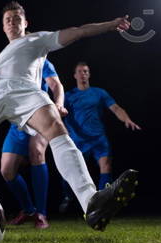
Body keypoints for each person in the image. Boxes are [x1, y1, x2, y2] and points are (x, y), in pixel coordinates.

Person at [0, 1, 138, 232]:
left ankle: (91, 202)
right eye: (8, 19)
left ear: (26, 23)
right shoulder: (2, 56)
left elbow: (77, 32)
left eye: (17, 18)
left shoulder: (37, 40)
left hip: (24, 90)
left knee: (54, 127)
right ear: (3, 26)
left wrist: (110, 25)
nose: (12, 22)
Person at [58, 62, 141, 213]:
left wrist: (126, 119)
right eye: (80, 71)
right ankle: (68, 196)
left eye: (86, 71)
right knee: (70, 172)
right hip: (78, 140)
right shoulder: (69, 96)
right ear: (75, 75)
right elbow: (58, 114)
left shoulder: (99, 93)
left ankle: (104, 204)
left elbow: (115, 108)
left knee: (106, 166)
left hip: (98, 139)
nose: (83, 74)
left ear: (89, 74)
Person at [1, 58, 66, 229]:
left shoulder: (42, 61)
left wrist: (58, 104)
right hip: (17, 122)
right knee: (7, 170)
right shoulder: (11, 61)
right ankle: (29, 210)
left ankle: (41, 214)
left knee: (36, 151)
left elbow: (55, 85)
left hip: (39, 114)